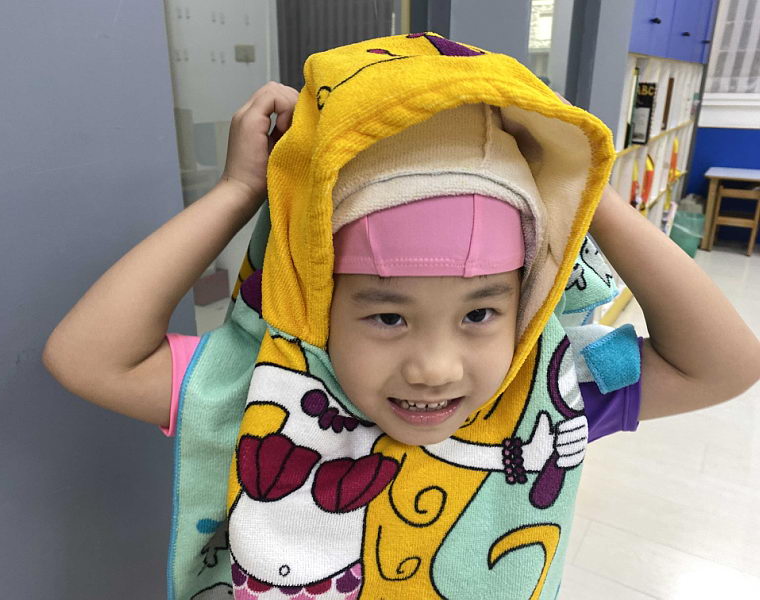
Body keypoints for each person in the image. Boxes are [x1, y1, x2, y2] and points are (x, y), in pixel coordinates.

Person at [43, 33, 760, 600]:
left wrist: (580, 189)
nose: (435, 368)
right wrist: (239, 190)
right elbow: (87, 358)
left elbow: (724, 366)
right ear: (317, 304)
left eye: (481, 312)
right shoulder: (260, 390)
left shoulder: (549, 389)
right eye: (388, 318)